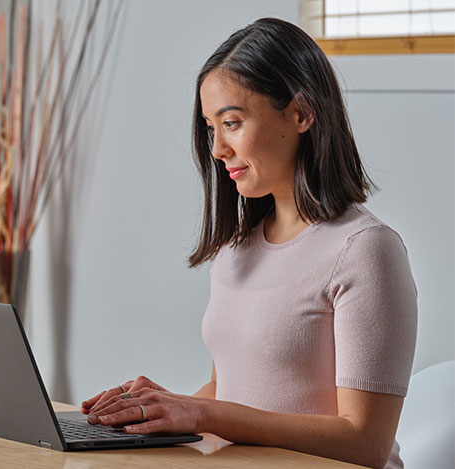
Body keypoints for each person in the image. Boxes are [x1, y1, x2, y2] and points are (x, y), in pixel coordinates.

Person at [80, 18, 417, 469]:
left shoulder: (365, 250)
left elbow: (366, 441)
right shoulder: (237, 250)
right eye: (209, 128)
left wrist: (202, 411)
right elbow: (232, 392)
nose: (217, 148)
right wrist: (154, 410)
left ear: (301, 114)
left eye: (232, 123)